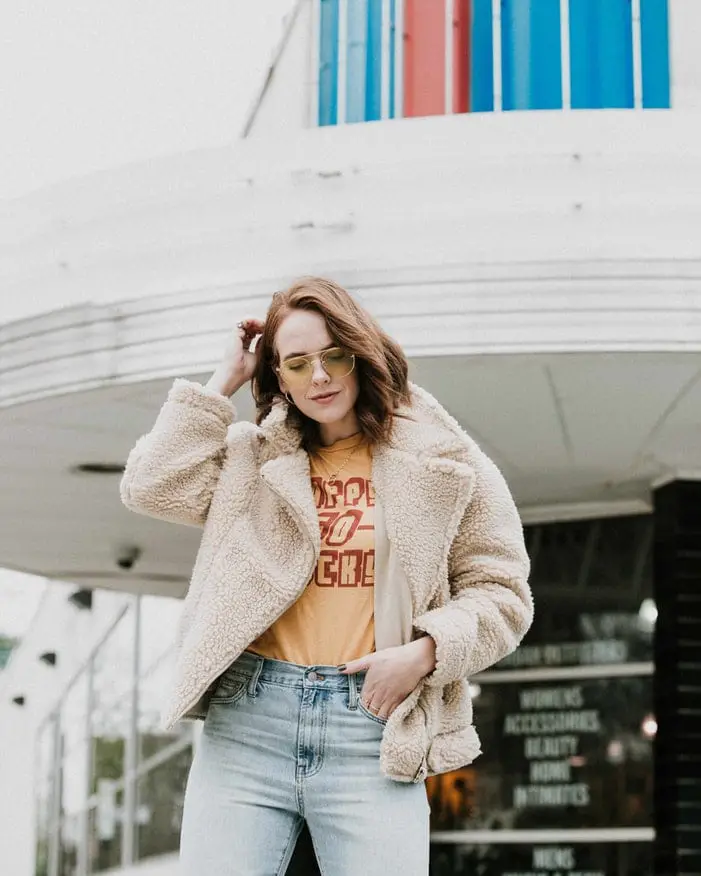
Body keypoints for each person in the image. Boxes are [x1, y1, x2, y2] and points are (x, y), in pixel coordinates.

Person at [120, 277, 532, 876]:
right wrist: (224, 382)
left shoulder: (442, 461)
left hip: (372, 723)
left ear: (360, 352)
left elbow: (503, 592)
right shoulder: (252, 459)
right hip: (248, 720)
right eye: (297, 363)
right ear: (278, 376)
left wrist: (425, 653)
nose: (320, 377)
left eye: (334, 355)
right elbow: (149, 484)